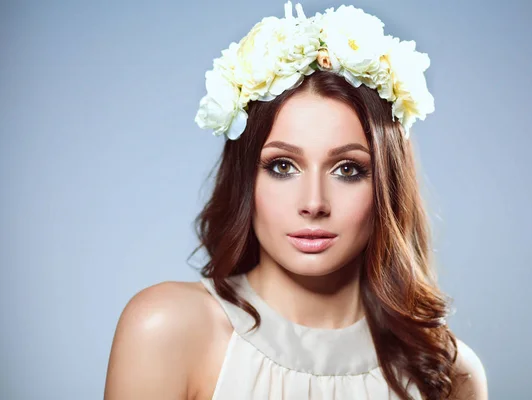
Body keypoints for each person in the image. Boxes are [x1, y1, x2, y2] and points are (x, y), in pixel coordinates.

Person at [104, 2, 488, 399]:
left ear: (388, 185)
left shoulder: (449, 372)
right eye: (283, 166)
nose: (313, 203)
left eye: (348, 170)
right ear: (246, 177)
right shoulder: (168, 328)